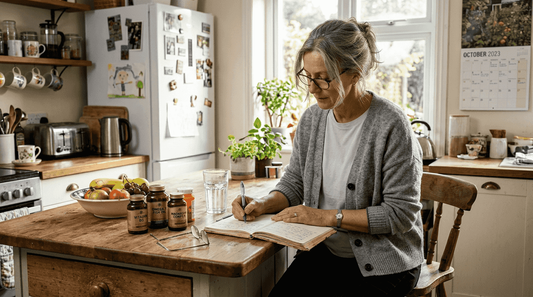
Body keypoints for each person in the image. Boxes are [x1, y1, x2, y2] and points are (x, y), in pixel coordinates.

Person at [231, 17, 424, 297]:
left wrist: (324, 217)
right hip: (325, 253)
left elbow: (400, 215)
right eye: (308, 76)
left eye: (322, 77)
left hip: (385, 262)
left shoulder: (392, 124)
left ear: (355, 73)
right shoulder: (311, 120)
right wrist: (263, 203)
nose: (312, 88)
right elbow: (295, 182)